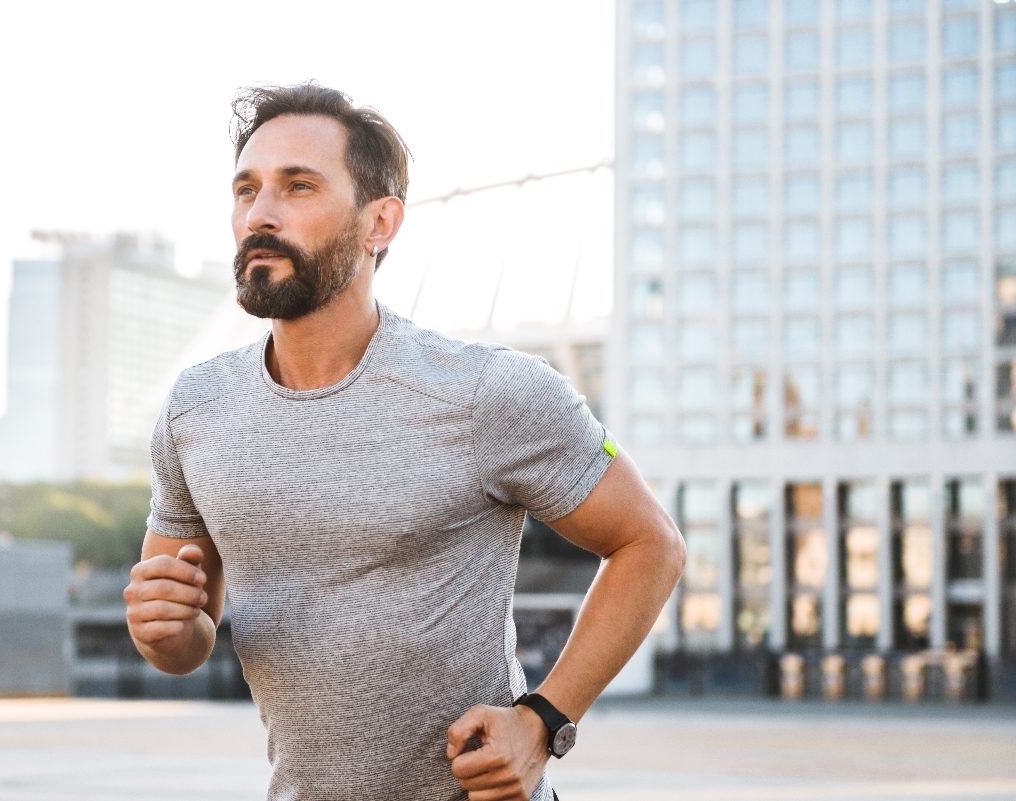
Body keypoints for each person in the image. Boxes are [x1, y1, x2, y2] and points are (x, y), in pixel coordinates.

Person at [123, 82, 685, 801]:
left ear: (379, 222)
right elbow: (185, 638)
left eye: (298, 187)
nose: (259, 214)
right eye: (246, 190)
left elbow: (652, 544)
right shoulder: (194, 409)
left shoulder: (489, 392)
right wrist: (163, 630)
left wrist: (544, 721)